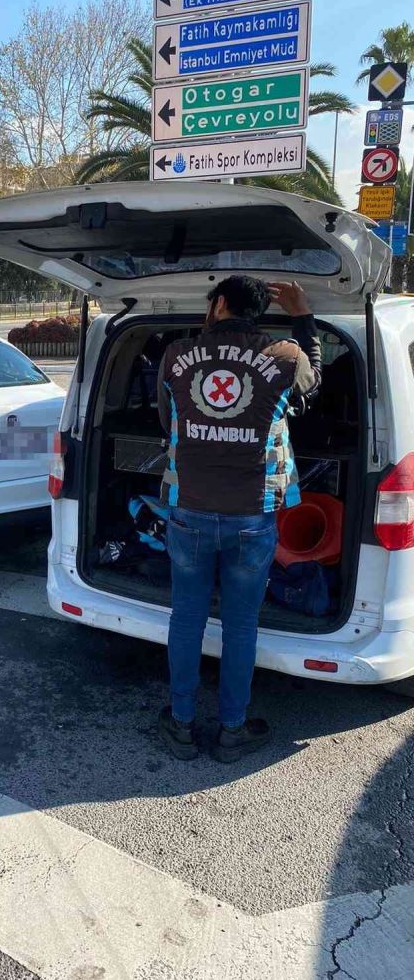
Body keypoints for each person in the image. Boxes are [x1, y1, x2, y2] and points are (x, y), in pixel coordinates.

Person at [155, 276, 321, 763]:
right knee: (240, 625)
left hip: (188, 510)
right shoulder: (286, 357)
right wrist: (303, 316)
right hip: (252, 515)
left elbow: (168, 422)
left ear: (220, 303)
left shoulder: (174, 356)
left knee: (186, 618)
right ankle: (232, 731)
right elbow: (314, 389)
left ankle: (181, 725)